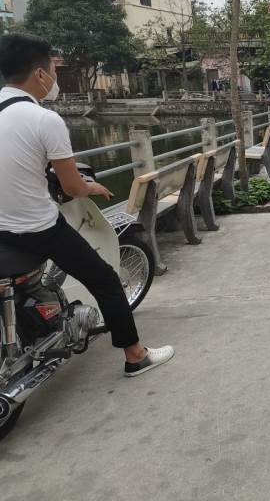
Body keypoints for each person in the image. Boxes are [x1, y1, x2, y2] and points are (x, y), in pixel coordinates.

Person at [0, 33, 174, 377]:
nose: (54, 77)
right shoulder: (44, 119)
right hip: (38, 228)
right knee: (106, 280)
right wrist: (90, 186)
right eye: (53, 69)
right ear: (40, 74)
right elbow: (72, 187)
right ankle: (135, 356)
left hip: (2, 229)